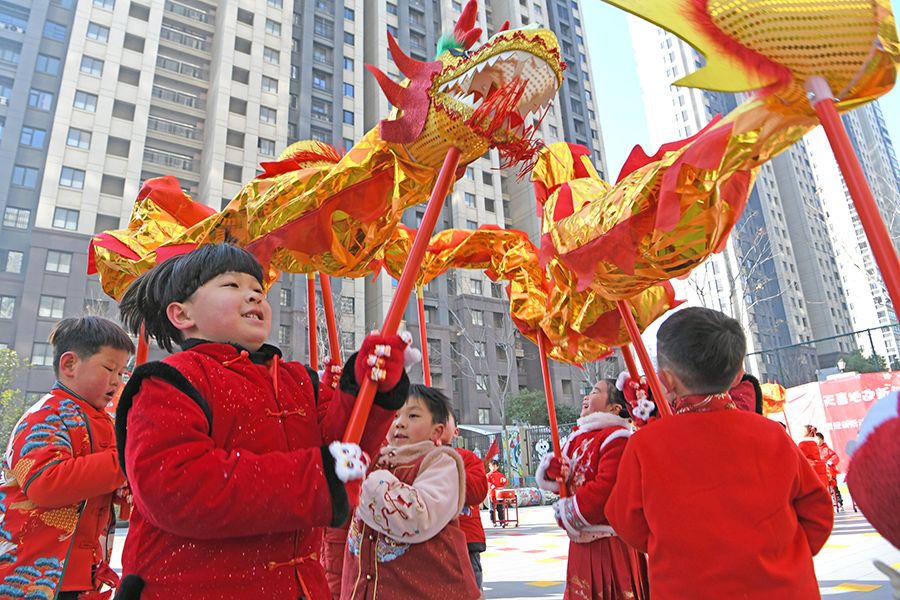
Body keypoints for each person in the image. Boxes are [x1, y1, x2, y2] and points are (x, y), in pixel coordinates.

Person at [114, 243, 411, 600]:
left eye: (258, 289)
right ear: (182, 314)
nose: (254, 297)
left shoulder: (298, 380)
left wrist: (371, 389)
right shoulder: (169, 381)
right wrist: (319, 477)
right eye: (232, 286)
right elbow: (174, 488)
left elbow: (346, 452)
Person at [606, 307, 834, 600]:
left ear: (666, 379)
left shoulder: (645, 445)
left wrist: (676, 550)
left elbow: (626, 521)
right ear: (739, 373)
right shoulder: (772, 434)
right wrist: (785, 559)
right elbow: (818, 512)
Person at [0, 316, 135, 599]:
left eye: (122, 372)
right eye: (109, 368)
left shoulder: (108, 425)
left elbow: (116, 497)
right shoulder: (45, 416)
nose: (117, 380)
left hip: (85, 575)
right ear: (69, 364)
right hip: (31, 575)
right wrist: (127, 457)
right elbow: (46, 484)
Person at [341, 384, 480, 600]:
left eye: (413, 415)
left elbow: (417, 517)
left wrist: (367, 481)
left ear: (437, 431)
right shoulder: (375, 460)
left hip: (426, 590)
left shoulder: (439, 462)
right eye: (394, 414)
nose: (400, 422)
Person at [537, 379, 649, 600]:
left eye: (596, 391)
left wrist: (568, 510)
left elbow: (606, 490)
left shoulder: (618, 437)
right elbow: (565, 483)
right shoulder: (576, 438)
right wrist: (553, 472)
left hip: (610, 545)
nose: (587, 396)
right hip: (581, 543)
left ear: (614, 408)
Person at [442, 411, 489, 591]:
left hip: (465, 538)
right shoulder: (412, 459)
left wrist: (446, 469)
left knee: (469, 588)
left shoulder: (467, 458)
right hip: (428, 540)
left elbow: (477, 491)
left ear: (456, 431)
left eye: (443, 418)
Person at [816, 432, 843, 509]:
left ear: (823, 440)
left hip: (828, 473)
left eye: (819, 439)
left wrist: (830, 462)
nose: (817, 441)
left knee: (833, 487)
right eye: (816, 439)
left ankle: (838, 501)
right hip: (819, 473)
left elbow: (835, 457)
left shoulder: (827, 450)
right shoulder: (813, 451)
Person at [798, 424, 830, 489]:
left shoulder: (804, 444)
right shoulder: (814, 443)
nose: (801, 434)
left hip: (810, 471)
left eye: (803, 432)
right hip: (818, 470)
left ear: (809, 434)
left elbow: (800, 457)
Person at [486, 459, 509, 527]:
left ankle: (501, 521)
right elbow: (486, 482)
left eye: (495, 466)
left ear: (497, 467)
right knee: (492, 508)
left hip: (500, 494)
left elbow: (504, 481)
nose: (493, 468)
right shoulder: (488, 475)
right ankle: (493, 521)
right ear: (489, 467)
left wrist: (504, 480)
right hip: (492, 494)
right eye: (492, 466)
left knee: (500, 508)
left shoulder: (500, 475)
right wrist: (491, 485)